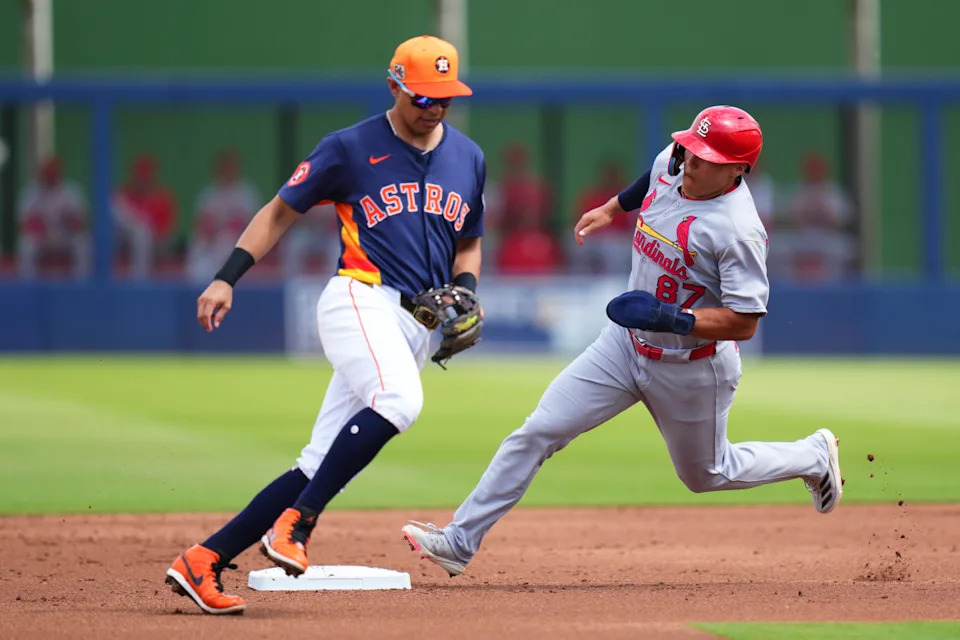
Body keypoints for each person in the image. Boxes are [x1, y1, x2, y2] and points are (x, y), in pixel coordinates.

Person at [400, 105, 843, 578]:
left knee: (706, 474)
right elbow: (645, 182)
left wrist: (672, 318)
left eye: (706, 156)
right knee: (537, 431)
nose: (691, 158)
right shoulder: (673, 161)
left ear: (737, 169)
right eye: (691, 145)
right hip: (624, 346)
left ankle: (811, 455)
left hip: (690, 365)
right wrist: (612, 208)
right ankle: (459, 542)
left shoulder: (737, 231)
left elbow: (745, 321)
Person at [164, 35, 485, 615]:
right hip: (360, 299)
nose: (433, 108)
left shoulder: (469, 157)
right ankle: (298, 526)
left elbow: (470, 243)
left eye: (444, 98)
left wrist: (466, 288)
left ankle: (204, 559)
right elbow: (280, 211)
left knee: (316, 462)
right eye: (421, 97)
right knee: (399, 401)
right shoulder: (350, 147)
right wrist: (226, 277)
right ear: (393, 85)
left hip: (415, 324)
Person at [186, 149, 260, 283]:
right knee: (197, 245)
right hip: (211, 239)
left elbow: (250, 223)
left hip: (237, 240)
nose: (228, 170)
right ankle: (195, 289)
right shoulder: (209, 193)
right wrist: (208, 232)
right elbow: (200, 222)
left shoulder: (246, 192)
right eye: (224, 167)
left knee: (225, 242)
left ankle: (220, 284)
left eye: (231, 167)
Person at [16, 156, 90, 279]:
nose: (49, 175)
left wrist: (69, 220)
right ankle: (27, 284)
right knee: (26, 244)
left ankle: (81, 282)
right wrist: (38, 225)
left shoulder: (72, 191)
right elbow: (24, 224)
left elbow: (82, 223)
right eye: (46, 172)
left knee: (83, 242)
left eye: (53, 172)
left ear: (60, 173)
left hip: (65, 236)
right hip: (42, 238)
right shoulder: (30, 193)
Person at [113, 153, 178, 278]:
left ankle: (140, 279)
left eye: (146, 175)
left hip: (155, 241)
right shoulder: (124, 195)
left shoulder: (161, 198)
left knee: (142, 235)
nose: (143, 179)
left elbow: (164, 230)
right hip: (124, 239)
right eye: (140, 175)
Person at [567, 158, 631, 273]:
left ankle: (616, 280)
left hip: (619, 240)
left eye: (614, 175)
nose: (611, 179)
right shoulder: (592, 196)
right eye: (609, 175)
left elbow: (634, 226)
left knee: (615, 249)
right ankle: (582, 279)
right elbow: (580, 223)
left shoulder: (628, 196)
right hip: (595, 238)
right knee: (573, 242)